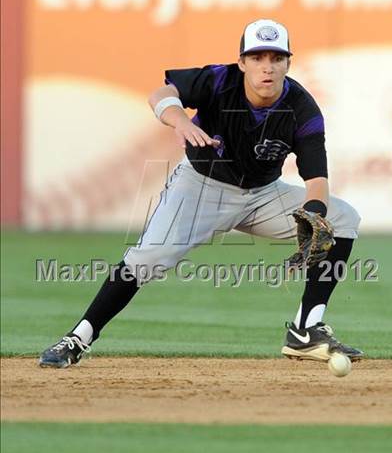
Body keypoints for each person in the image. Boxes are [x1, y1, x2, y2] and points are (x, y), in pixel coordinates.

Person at [39, 19, 363, 368]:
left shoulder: (302, 108)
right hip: (201, 187)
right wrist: (179, 122)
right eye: (256, 57)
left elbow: (317, 178)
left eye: (276, 57)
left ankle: (305, 330)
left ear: (288, 63)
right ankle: (78, 337)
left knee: (343, 218)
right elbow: (161, 95)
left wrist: (313, 214)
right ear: (242, 63)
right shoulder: (220, 80)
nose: (266, 67)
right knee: (147, 259)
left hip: (262, 195)